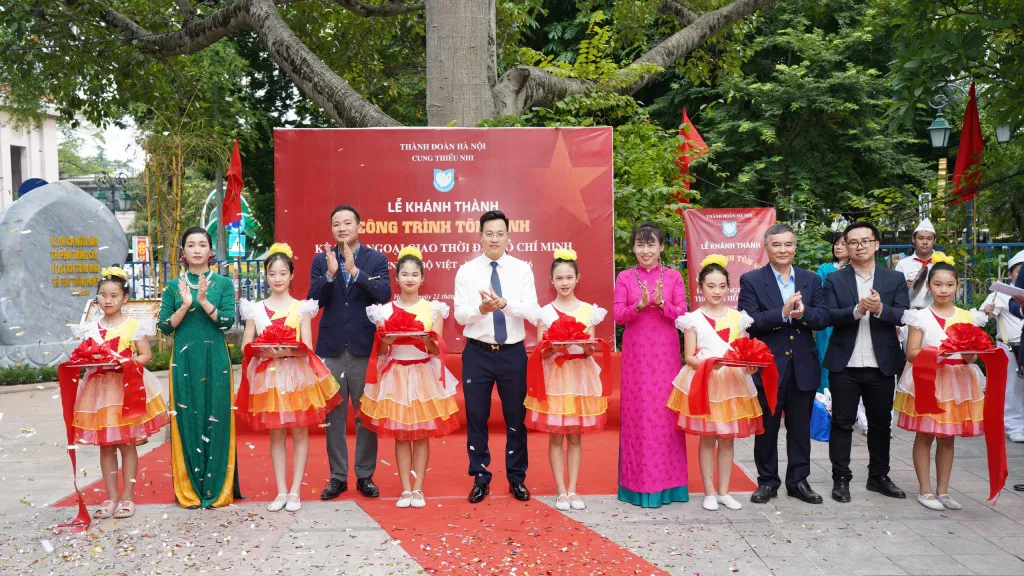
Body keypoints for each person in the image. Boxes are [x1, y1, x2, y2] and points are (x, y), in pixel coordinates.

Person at [238, 243, 342, 513]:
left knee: (299, 431)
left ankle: (295, 490)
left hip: (296, 376)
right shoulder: (255, 309)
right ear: (266, 276)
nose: (278, 278)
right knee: (276, 434)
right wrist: (264, 351)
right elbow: (245, 345)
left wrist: (287, 351)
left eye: (283, 273)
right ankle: (281, 491)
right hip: (269, 377)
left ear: (291, 275)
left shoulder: (302, 308)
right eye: (272, 273)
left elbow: (307, 346)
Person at [362, 247, 460, 509]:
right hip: (396, 375)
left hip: (423, 374)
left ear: (422, 278)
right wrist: (387, 341)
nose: (409, 279)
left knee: (421, 434)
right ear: (396, 278)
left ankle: (418, 488)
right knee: (401, 434)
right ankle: (405, 488)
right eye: (404, 274)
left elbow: (437, 349)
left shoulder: (433, 309)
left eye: (414, 274)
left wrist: (426, 340)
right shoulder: (383, 311)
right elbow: (381, 351)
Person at [738, 223, 829, 505]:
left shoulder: (810, 280)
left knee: (800, 429)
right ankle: (767, 481)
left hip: (803, 365)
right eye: (776, 244)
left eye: (788, 244)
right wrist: (781, 312)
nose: (782, 250)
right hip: (768, 366)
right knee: (767, 428)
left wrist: (803, 313)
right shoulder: (752, 280)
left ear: (795, 248)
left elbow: (823, 318)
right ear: (766, 248)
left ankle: (798, 481)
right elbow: (750, 320)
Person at [454, 210, 539, 504]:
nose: (494, 239)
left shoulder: (521, 270)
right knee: (476, 416)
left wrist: (505, 305)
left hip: (512, 354)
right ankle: (480, 477)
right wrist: (481, 309)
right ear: (480, 237)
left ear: (508, 237)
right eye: (489, 234)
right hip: (477, 353)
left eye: (499, 234)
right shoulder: (467, 271)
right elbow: (460, 315)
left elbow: (532, 310)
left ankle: (517, 478)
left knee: (516, 417)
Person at [71, 267, 169, 519]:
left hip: (127, 389)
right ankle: (111, 497)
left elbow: (146, 355)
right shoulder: (90, 328)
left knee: (126, 443)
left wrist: (126, 363)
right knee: (106, 446)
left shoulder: (133, 325)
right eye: (103, 295)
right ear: (97, 299)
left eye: (114, 295)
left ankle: (127, 497)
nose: (108, 300)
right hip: (99, 393)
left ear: (124, 298)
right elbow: (83, 357)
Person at [309, 204, 392, 500]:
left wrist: (355, 271)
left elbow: (384, 294)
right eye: (336, 224)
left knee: (365, 413)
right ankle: (338, 476)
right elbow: (313, 301)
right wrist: (331, 275)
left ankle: (365, 475)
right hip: (331, 347)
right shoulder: (321, 260)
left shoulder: (376, 259)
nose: (342, 228)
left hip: (364, 348)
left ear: (359, 226)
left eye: (347, 223)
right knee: (333, 414)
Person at [822, 221, 908, 503]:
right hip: (845, 364)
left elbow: (903, 315)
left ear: (876, 244)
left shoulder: (893, 279)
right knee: (842, 423)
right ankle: (841, 478)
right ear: (846, 247)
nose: (859, 247)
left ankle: (879, 476)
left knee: (881, 423)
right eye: (853, 242)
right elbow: (828, 315)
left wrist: (881, 309)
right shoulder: (835, 279)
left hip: (881, 363)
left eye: (865, 241)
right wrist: (857, 311)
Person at [894, 254, 987, 510]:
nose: (943, 290)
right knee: (925, 435)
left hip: (958, 384)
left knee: (948, 438)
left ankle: (943, 491)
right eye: (937, 284)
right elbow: (911, 353)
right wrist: (938, 353)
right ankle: (925, 490)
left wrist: (970, 356)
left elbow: (973, 356)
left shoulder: (969, 317)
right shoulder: (919, 317)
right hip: (928, 381)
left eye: (949, 284)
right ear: (928, 286)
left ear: (957, 285)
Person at [669, 255, 762, 512]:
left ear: (728, 287)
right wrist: (710, 364)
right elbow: (689, 357)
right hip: (704, 382)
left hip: (732, 384)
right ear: (701, 287)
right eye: (711, 286)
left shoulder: (738, 318)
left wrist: (749, 364)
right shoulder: (692, 319)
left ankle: (724, 492)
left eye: (722, 286)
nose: (717, 291)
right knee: (708, 438)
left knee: (728, 439)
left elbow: (743, 351)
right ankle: (709, 492)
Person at [158, 227, 240, 509]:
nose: (196, 249)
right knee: (186, 415)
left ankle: (218, 488)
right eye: (191, 245)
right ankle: (189, 489)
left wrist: (203, 301)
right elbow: (164, 326)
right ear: (183, 252)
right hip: (184, 360)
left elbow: (227, 321)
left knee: (217, 414)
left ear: (210, 251)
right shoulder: (173, 286)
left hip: (215, 357)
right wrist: (185, 305)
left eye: (202, 244)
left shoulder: (223, 284)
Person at [525, 249, 608, 512]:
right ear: (551, 280)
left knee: (574, 436)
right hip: (556, 379)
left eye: (569, 277)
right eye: (559, 278)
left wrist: (583, 345)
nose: (564, 283)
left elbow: (590, 349)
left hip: (580, 376)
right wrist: (552, 346)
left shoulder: (589, 311)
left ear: (577, 278)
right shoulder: (544, 313)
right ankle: (560, 490)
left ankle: (573, 489)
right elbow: (540, 352)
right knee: (555, 436)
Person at [613, 222, 689, 508]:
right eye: (640, 245)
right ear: (633, 248)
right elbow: (618, 316)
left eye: (651, 244)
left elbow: (682, 315)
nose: (645, 250)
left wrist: (661, 304)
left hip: (666, 355)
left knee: (665, 415)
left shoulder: (673, 277)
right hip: (636, 358)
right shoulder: (624, 277)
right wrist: (640, 306)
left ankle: (670, 486)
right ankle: (636, 485)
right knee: (638, 414)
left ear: (661, 247)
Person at [981, 250, 1024, 443]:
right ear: (1010, 274)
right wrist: (987, 312)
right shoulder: (1001, 293)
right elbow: (985, 316)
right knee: (1012, 388)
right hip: (1009, 347)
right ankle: (1013, 426)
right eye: (1019, 271)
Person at [815, 235, 848, 391]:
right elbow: (817, 292)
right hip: (828, 321)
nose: (838, 247)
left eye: (843, 244)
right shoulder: (825, 268)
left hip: (848, 319)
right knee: (824, 354)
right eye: (836, 243)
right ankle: (824, 393)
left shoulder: (856, 268)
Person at [894, 218, 937, 310]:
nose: (925, 242)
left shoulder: (942, 264)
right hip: (909, 312)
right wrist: (903, 286)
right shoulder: (903, 264)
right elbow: (894, 291)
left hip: (935, 312)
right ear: (913, 239)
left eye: (929, 239)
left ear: (934, 240)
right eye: (920, 238)